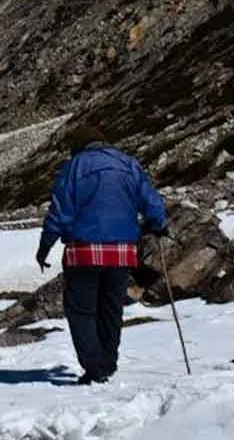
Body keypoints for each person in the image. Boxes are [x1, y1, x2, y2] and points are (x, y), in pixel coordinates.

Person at [37, 124, 170, 385]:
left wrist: (45, 247)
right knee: (111, 309)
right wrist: (159, 223)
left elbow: (60, 212)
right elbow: (149, 199)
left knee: (82, 311)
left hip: (83, 253)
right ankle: (107, 363)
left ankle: (95, 367)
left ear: (78, 146)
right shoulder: (127, 164)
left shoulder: (73, 168)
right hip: (121, 253)